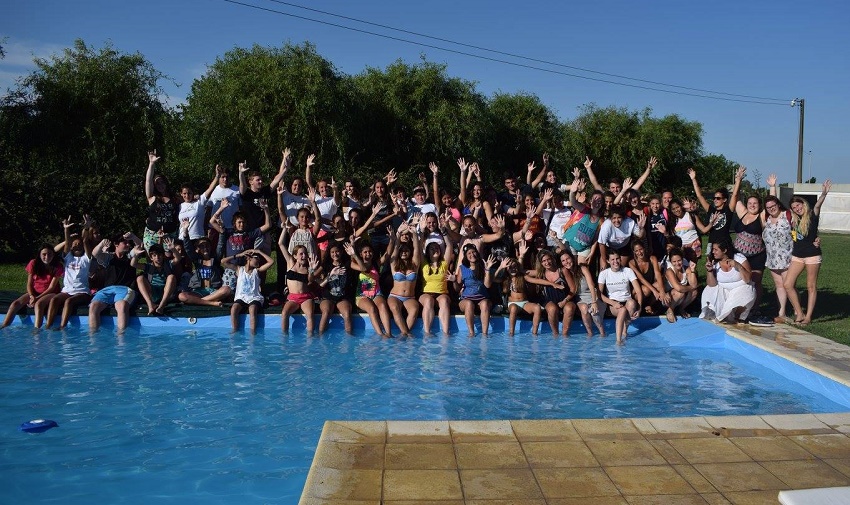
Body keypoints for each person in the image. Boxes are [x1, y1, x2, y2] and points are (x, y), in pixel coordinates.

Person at [783, 180, 831, 326]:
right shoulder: (794, 220)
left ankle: (808, 317)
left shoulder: (812, 215)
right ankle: (800, 313)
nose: (797, 208)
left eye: (798, 205)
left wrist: (823, 194)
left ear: (803, 204)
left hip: (812, 256)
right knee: (788, 284)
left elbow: (818, 205)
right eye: (794, 207)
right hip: (797, 256)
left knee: (811, 286)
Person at [89, 234, 143, 332]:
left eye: (128, 243)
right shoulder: (109, 258)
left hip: (125, 289)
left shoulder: (129, 255)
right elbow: (95, 253)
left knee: (121, 305)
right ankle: (93, 338)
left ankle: (121, 338)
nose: (128, 245)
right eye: (125, 242)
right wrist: (101, 243)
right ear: (116, 244)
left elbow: (140, 245)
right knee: (93, 306)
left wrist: (134, 237)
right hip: (107, 290)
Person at [2, 243, 63, 328]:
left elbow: (51, 287)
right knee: (15, 304)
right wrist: (31, 296)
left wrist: (37, 298)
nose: (47, 257)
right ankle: (4, 326)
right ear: (39, 254)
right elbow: (29, 283)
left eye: (49, 254)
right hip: (35, 292)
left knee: (39, 304)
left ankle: (36, 330)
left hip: (51, 293)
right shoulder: (33, 263)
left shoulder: (57, 266)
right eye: (44, 254)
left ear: (53, 255)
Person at [762, 174, 795, 323]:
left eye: (773, 206)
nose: (771, 209)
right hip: (773, 258)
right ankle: (781, 312)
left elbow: (800, 230)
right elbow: (769, 201)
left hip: (788, 256)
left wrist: (773, 187)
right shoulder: (766, 219)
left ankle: (796, 308)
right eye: (768, 208)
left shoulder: (787, 215)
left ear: (778, 205)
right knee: (779, 285)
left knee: (789, 285)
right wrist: (771, 187)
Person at [700, 240, 756, 323]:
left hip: (740, 289)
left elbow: (748, 279)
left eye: (716, 250)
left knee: (748, 290)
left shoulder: (739, 258)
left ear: (725, 250)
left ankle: (738, 316)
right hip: (724, 291)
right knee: (708, 289)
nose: (713, 252)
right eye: (713, 250)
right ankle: (719, 314)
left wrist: (738, 266)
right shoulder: (714, 263)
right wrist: (710, 271)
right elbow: (712, 285)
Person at [350, 237, 394, 337]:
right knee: (371, 308)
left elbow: (387, 254)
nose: (368, 254)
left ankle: (389, 334)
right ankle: (380, 334)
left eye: (370, 251)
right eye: (365, 252)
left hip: (376, 293)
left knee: (383, 306)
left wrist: (392, 239)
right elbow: (362, 267)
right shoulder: (356, 265)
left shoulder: (376, 264)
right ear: (361, 254)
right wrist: (353, 245)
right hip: (362, 295)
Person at [223, 248, 274, 334]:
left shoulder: (257, 271)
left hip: (254, 297)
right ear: (248, 258)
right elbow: (223, 261)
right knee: (234, 308)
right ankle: (235, 330)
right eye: (256, 258)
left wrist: (259, 252)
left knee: (252, 309)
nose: (259, 260)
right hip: (241, 297)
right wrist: (239, 255)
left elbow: (271, 262)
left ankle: (253, 333)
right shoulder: (239, 269)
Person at [278, 229, 319, 335]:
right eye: (301, 254)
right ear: (295, 256)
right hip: (292, 297)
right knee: (284, 313)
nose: (304, 256)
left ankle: (310, 338)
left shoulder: (308, 267)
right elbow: (281, 244)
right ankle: (284, 337)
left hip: (305, 297)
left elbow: (310, 280)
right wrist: (284, 229)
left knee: (310, 315)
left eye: (305, 254)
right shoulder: (290, 262)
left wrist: (312, 270)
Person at [525, 248, 573, 336]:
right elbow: (525, 276)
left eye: (548, 259)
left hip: (565, 299)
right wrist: (521, 258)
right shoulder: (541, 273)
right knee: (552, 309)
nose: (547, 263)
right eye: (544, 261)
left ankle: (565, 335)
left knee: (569, 308)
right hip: (549, 300)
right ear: (541, 263)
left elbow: (573, 289)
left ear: (552, 258)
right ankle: (555, 334)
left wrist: (565, 301)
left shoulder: (562, 271)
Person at [598, 250, 642, 344]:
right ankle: (618, 340)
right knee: (622, 310)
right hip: (612, 303)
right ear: (608, 261)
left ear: (620, 259)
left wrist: (640, 308)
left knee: (631, 303)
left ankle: (624, 331)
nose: (615, 261)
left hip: (626, 301)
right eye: (612, 259)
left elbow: (638, 290)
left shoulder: (627, 271)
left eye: (617, 258)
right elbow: (599, 294)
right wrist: (613, 303)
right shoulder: (604, 273)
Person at [495, 249, 542, 336]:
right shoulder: (506, 279)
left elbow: (537, 276)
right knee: (513, 308)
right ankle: (511, 333)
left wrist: (552, 284)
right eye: (510, 267)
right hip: (513, 304)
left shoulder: (522, 277)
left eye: (515, 267)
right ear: (507, 269)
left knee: (537, 308)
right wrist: (501, 267)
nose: (513, 269)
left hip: (524, 304)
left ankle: (534, 333)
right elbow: (493, 278)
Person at [387, 223, 422, 337]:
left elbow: (417, 248)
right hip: (394, 296)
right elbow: (396, 248)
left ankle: (403, 335)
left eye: (406, 250)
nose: (404, 252)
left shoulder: (414, 265)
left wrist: (415, 234)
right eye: (402, 251)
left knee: (415, 309)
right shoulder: (394, 264)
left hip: (409, 297)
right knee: (394, 307)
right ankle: (406, 333)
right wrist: (398, 234)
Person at [454, 244, 496, 336]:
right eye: (469, 253)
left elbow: (487, 285)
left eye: (474, 252)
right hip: (466, 300)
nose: (472, 254)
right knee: (469, 303)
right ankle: (471, 333)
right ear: (465, 256)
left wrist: (487, 270)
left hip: (482, 299)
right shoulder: (462, 268)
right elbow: (457, 288)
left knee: (485, 304)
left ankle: (485, 333)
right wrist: (454, 281)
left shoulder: (483, 265)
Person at [177, 237, 230, 307]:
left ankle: (198, 301)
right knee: (182, 296)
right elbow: (188, 249)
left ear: (210, 247)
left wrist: (222, 233)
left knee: (226, 289)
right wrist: (185, 234)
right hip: (198, 291)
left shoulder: (215, 260)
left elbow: (220, 246)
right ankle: (211, 303)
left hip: (213, 291)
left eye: (207, 245)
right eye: (202, 246)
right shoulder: (197, 261)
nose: (205, 248)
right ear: (198, 249)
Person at [419, 234, 455, 336]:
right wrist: (421, 232)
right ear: (427, 252)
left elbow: (449, 245)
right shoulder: (424, 263)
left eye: (437, 248)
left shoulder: (444, 263)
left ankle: (446, 332)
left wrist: (444, 231)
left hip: (441, 294)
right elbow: (418, 246)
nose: (435, 250)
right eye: (431, 249)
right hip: (426, 293)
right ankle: (427, 332)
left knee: (444, 301)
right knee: (428, 300)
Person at [143, 151, 179, 251]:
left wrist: (196, 197)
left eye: (162, 182)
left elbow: (188, 198)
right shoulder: (152, 198)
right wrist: (151, 164)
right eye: (157, 184)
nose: (160, 185)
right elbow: (148, 180)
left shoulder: (175, 198)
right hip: (152, 234)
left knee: (169, 261)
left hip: (170, 234)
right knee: (152, 260)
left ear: (166, 183)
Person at [317, 243, 354, 335]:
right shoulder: (326, 265)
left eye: (337, 251)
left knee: (347, 313)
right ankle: (320, 336)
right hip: (328, 297)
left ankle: (349, 338)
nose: (335, 254)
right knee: (326, 312)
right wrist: (330, 275)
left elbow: (363, 268)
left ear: (341, 252)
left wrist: (354, 254)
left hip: (342, 297)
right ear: (329, 253)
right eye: (332, 252)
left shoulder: (347, 264)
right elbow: (311, 278)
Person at [133, 242, 180, 316]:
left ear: (163, 256)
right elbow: (133, 264)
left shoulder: (167, 264)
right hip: (153, 293)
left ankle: (161, 306)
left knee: (171, 277)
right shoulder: (149, 267)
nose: (157, 257)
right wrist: (136, 255)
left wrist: (173, 249)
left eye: (159, 255)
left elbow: (178, 259)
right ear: (151, 257)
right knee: (140, 278)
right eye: (154, 255)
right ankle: (150, 305)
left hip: (166, 293)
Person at [629, 241, 666, 317]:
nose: (639, 252)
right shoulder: (632, 263)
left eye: (641, 249)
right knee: (646, 289)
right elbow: (641, 278)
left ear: (644, 249)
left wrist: (662, 291)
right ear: (634, 252)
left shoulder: (652, 258)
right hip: (638, 289)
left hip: (650, 287)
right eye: (636, 251)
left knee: (660, 285)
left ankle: (649, 305)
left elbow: (658, 274)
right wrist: (654, 290)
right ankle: (641, 307)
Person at [663, 248, 699, 322]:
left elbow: (694, 284)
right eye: (674, 261)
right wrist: (691, 287)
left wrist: (692, 271)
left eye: (679, 260)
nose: (677, 263)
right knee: (680, 292)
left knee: (694, 292)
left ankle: (681, 309)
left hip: (680, 297)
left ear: (682, 259)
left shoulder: (686, 269)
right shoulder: (669, 271)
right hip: (668, 299)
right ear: (671, 262)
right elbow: (678, 288)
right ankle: (670, 309)